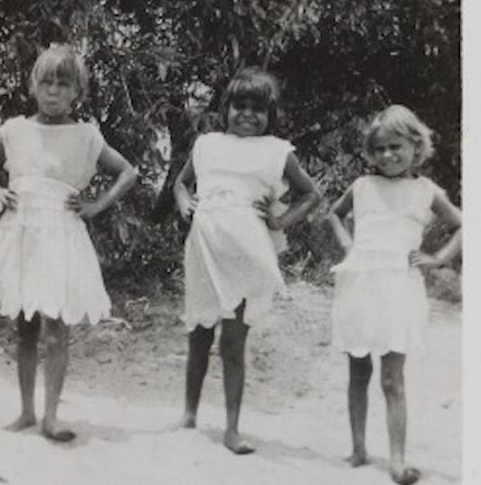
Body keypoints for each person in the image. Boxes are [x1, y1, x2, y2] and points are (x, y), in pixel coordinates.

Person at [0, 44, 137, 442]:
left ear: (77, 92)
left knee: (57, 326)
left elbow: (128, 172)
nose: (54, 92)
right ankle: (27, 411)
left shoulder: (85, 135)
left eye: (64, 84)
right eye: (47, 82)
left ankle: (51, 416)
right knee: (24, 326)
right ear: (34, 86)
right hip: (22, 231)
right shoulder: (15, 130)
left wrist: (97, 206)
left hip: (61, 235)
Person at [173, 67, 321, 454]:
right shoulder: (207, 144)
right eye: (240, 105)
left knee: (233, 341)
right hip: (204, 247)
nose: (248, 115)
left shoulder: (277, 151)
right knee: (199, 334)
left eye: (258, 108)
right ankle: (189, 413)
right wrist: (184, 201)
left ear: (270, 114)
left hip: (244, 251)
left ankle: (232, 429)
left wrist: (279, 219)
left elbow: (310, 194)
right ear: (226, 108)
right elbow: (180, 182)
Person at [327, 105, 461, 485]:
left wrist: (438, 259)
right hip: (359, 285)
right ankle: (357, 449)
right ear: (372, 151)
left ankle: (398, 461)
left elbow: (464, 224)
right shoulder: (363, 186)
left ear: (415, 147)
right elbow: (334, 215)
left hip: (399, 288)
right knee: (358, 370)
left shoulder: (425, 191)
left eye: (396, 147)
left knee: (392, 378)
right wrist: (349, 246)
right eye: (380, 148)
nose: (388, 155)